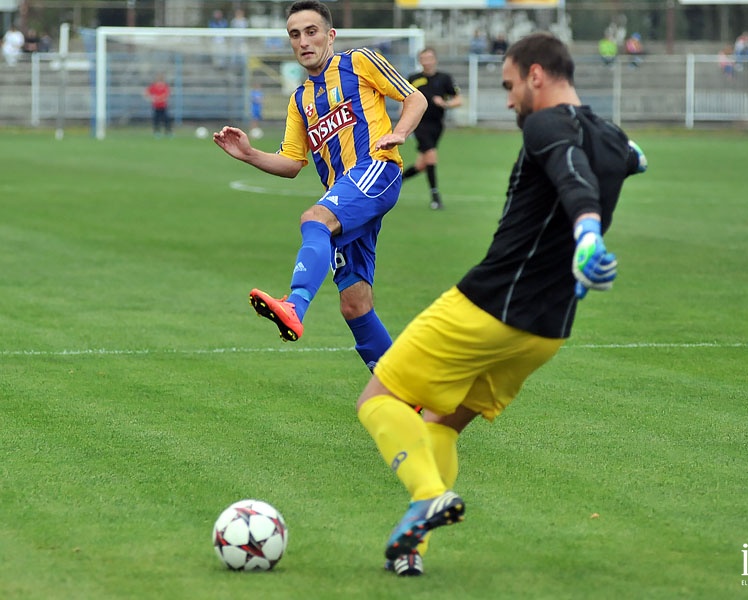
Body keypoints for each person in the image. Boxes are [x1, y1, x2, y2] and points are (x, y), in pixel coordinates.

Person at [355, 32, 646, 577]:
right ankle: (412, 552)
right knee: (441, 422)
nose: (509, 100)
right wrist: (630, 162)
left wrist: (587, 232)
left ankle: (425, 497)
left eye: (510, 85)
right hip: (547, 332)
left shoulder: (544, 124)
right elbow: (625, 158)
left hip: (489, 306)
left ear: (538, 75)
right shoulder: (613, 137)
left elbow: (572, 175)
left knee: (378, 400)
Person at [212, 0, 427, 372]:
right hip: (347, 194)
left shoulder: (359, 62)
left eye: (311, 32)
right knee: (354, 303)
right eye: (295, 35)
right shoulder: (300, 99)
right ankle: (409, 389)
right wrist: (248, 154)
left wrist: (400, 132)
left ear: (330, 35)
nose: (303, 41)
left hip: (377, 168)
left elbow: (415, 97)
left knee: (314, 218)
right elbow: (292, 163)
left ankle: (294, 305)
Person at [403, 47, 462, 210]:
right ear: (420, 61)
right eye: (423, 58)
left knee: (422, 164)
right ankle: (435, 198)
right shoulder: (414, 79)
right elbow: (405, 99)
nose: (426, 61)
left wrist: (446, 103)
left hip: (437, 125)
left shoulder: (445, 78)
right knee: (431, 156)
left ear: (435, 59)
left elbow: (459, 100)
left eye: (429, 58)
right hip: (419, 124)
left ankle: (396, 181)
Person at [144, 73, 172, 138]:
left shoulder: (165, 86)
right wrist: (150, 99)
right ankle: (157, 132)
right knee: (156, 120)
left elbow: (166, 95)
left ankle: (168, 132)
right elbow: (146, 93)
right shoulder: (153, 86)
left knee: (166, 119)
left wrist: (160, 99)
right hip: (156, 106)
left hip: (163, 106)